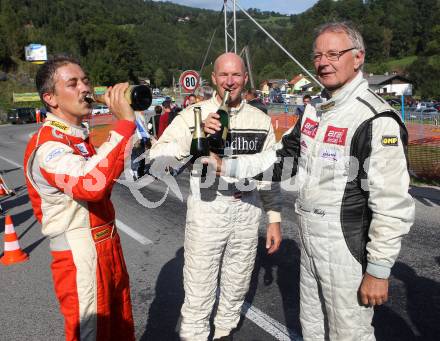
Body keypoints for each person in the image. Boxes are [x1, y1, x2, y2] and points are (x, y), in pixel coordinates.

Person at [210, 22, 415, 341]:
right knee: (313, 329)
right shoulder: (314, 110)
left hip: (346, 247)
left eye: (334, 53)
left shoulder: (376, 119)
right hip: (309, 240)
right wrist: (232, 166)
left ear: (358, 57)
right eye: (318, 55)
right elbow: (281, 160)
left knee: (350, 334)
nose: (323, 62)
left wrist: (378, 269)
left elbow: (392, 204)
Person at [150, 52, 282, 340]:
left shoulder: (259, 119)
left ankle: (224, 332)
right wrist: (194, 136)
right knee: (199, 284)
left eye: (236, 75)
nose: (230, 82)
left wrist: (273, 218)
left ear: (246, 79)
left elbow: (269, 172)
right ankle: (194, 335)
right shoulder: (193, 114)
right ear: (214, 79)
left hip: (247, 207)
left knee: (238, 280)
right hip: (208, 208)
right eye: (224, 75)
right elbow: (158, 156)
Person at [23, 56, 136, 341]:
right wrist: (123, 124)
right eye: (72, 83)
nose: (84, 88)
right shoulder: (48, 146)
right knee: (92, 334)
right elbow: (90, 185)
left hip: (107, 245)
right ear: (50, 98)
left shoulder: (78, 137)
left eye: (85, 80)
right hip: (79, 253)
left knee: (121, 328)